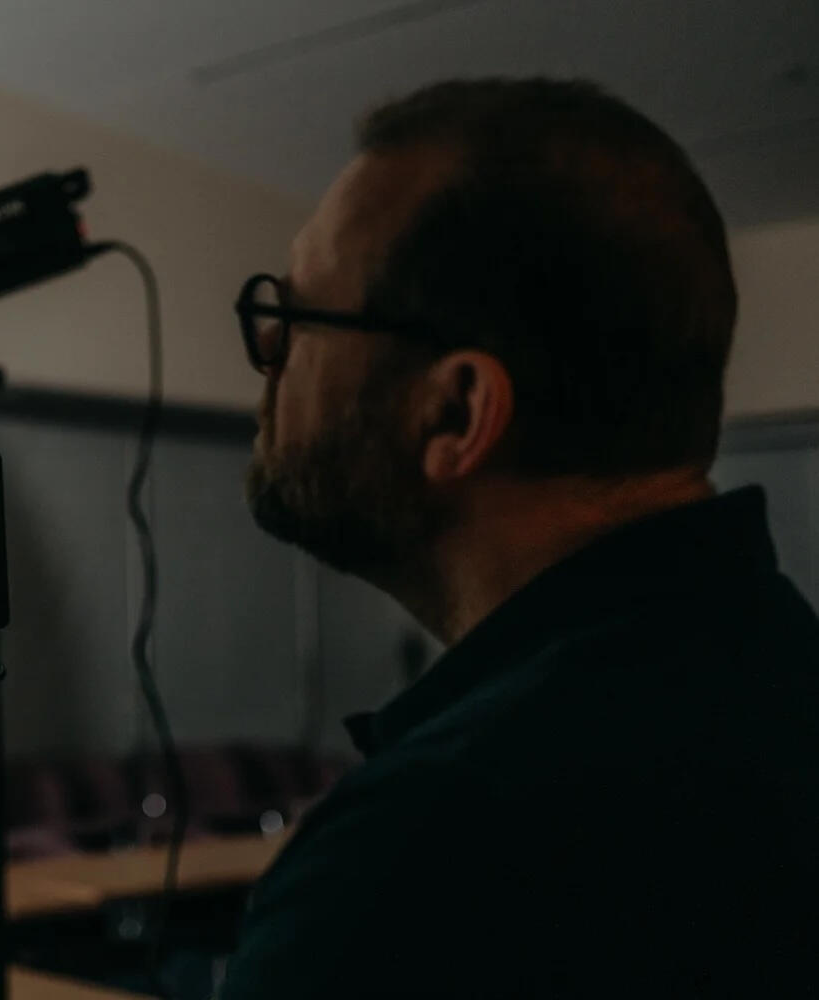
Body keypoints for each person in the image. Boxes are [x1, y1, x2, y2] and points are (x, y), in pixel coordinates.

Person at [221, 78, 819, 995]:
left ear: (457, 411)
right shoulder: (782, 680)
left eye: (299, 317)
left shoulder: (420, 854)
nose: (270, 354)